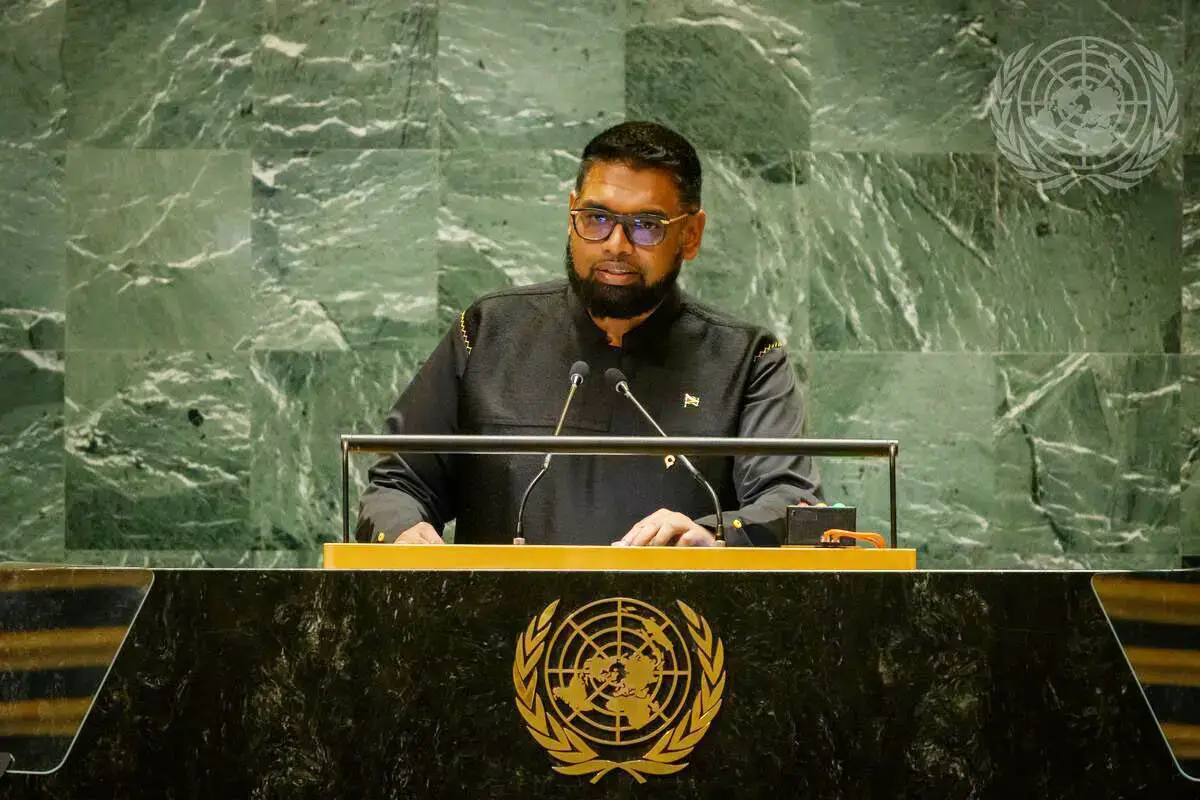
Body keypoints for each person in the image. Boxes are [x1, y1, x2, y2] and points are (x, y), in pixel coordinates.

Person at [356, 121, 820, 548]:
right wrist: (402, 531)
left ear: (691, 235)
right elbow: (396, 484)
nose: (616, 244)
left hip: (678, 635)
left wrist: (711, 536)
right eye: (596, 217)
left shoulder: (748, 360)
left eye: (646, 226)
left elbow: (793, 505)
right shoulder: (489, 332)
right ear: (570, 214)